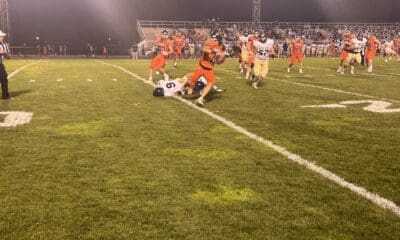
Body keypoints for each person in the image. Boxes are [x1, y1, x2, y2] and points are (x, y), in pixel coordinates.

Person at [187, 30, 225, 107]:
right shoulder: (210, 42)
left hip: (209, 69)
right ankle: (186, 89)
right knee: (191, 84)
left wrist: (222, 58)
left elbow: (218, 62)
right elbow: (204, 49)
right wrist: (215, 52)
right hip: (201, 66)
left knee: (211, 83)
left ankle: (201, 98)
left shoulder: (219, 48)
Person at [0, 31, 11, 100]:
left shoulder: (4, 45)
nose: (2, 37)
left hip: (0, 65)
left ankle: (5, 96)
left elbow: (9, 57)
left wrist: (4, 53)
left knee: (4, 79)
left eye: (2, 36)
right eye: (1, 36)